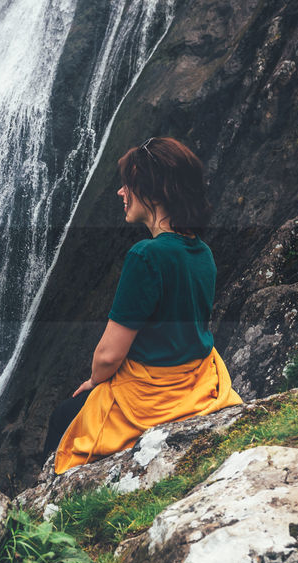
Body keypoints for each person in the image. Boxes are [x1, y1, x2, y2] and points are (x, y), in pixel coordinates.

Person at [43, 136, 242, 473]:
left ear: (154, 191)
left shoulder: (146, 255)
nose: (121, 193)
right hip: (198, 384)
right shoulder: (203, 253)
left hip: (152, 396)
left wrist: (94, 382)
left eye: (128, 185)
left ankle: (43, 501)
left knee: (65, 415)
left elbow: (109, 355)